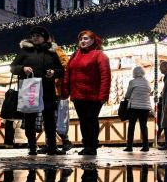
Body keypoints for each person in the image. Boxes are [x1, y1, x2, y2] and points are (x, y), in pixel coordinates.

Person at [10, 26, 64, 156]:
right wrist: (23, 68)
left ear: (44, 38)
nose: (35, 38)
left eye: (38, 36)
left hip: (47, 89)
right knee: (29, 119)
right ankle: (32, 146)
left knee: (49, 119)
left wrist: (53, 72)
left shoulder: (52, 52)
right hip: (30, 89)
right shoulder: (24, 51)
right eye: (33, 36)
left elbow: (61, 70)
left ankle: (52, 147)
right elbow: (13, 68)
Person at [62, 30, 111, 156]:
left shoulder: (100, 55)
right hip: (78, 95)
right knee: (83, 121)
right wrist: (66, 90)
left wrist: (103, 95)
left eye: (86, 39)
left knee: (91, 119)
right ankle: (86, 145)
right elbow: (68, 73)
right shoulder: (75, 55)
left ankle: (92, 145)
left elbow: (105, 76)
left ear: (93, 40)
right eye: (81, 39)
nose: (82, 41)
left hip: (94, 96)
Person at [38, 35, 74, 154]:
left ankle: (65, 141)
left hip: (57, 92)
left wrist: (55, 77)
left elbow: (65, 68)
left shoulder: (56, 51)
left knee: (57, 119)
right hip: (48, 91)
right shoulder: (43, 52)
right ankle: (50, 143)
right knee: (49, 119)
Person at [123, 66, 152, 152]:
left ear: (134, 73)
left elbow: (127, 95)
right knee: (144, 126)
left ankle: (129, 146)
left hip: (134, 107)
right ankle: (146, 147)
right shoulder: (147, 83)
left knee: (131, 126)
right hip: (145, 108)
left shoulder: (132, 82)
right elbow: (149, 92)